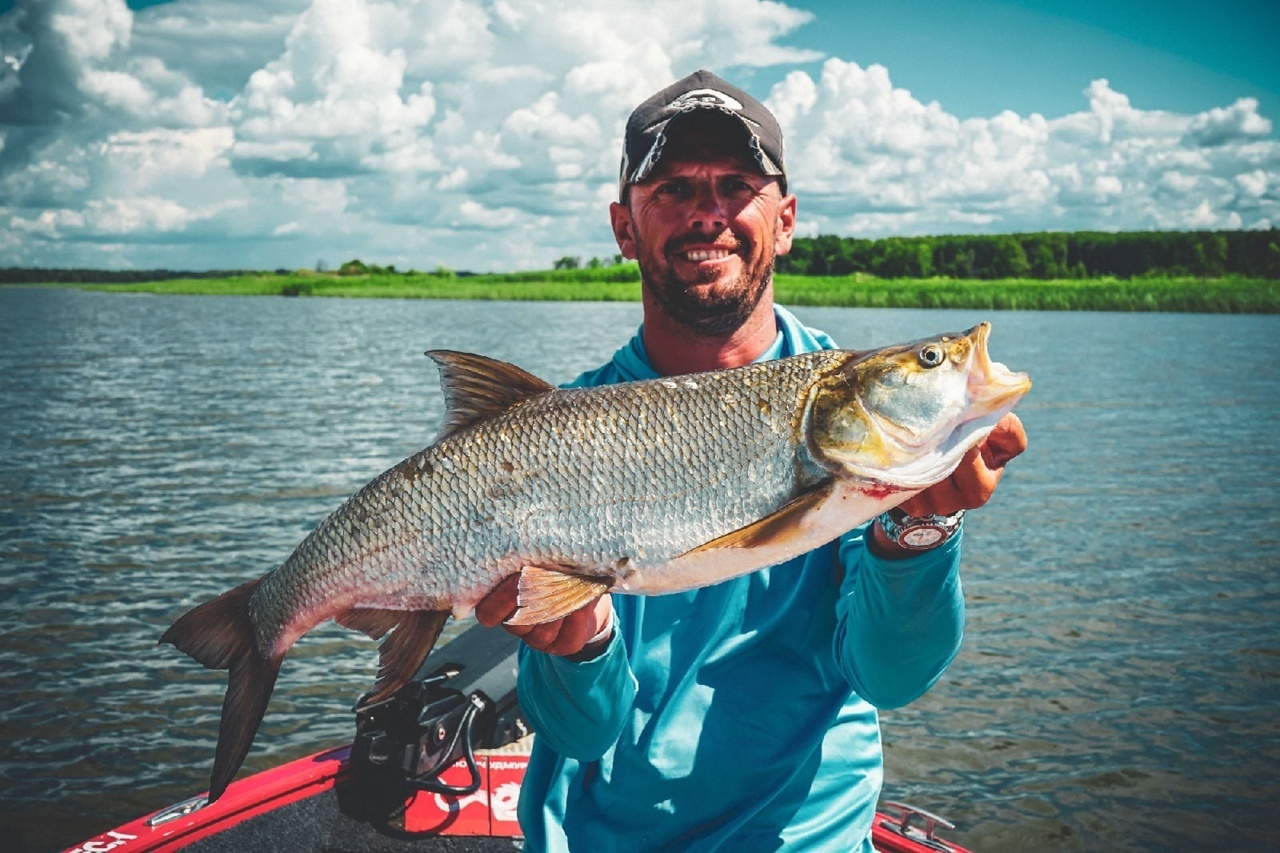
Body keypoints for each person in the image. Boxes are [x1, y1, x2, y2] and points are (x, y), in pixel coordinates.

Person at [476, 70, 1028, 851]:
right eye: (672, 188)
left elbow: (891, 677)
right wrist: (582, 646)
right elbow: (581, 732)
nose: (708, 211)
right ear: (624, 228)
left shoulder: (848, 418)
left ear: (788, 218)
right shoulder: (561, 439)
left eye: (737, 184)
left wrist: (922, 529)